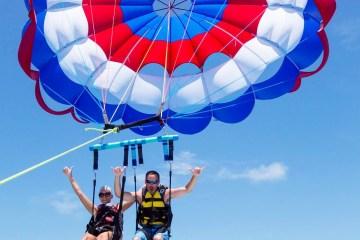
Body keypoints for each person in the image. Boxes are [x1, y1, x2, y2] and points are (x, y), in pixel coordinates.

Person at [112, 166, 205, 240]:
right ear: (145, 182)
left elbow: (186, 189)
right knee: (136, 239)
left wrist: (195, 176)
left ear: (158, 182)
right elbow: (119, 194)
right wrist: (117, 176)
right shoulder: (140, 196)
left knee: (157, 238)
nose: (151, 184)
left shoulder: (165, 194)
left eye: (154, 181)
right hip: (145, 229)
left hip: (161, 229)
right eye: (149, 181)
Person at [63, 166, 133, 240]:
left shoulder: (118, 207)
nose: (104, 197)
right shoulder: (96, 210)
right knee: (86, 238)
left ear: (111, 196)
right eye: (101, 195)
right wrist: (70, 177)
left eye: (107, 194)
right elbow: (80, 193)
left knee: (102, 237)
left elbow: (133, 198)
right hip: (97, 230)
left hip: (112, 231)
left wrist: (117, 176)